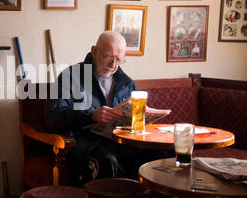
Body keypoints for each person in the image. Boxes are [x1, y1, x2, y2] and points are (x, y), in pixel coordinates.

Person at [44, 31, 166, 187]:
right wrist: (90, 115)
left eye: (119, 60)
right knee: (108, 162)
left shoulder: (125, 82)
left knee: (161, 157)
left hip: (119, 142)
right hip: (85, 145)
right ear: (94, 51)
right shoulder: (70, 77)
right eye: (109, 58)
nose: (113, 65)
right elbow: (51, 118)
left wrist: (142, 116)